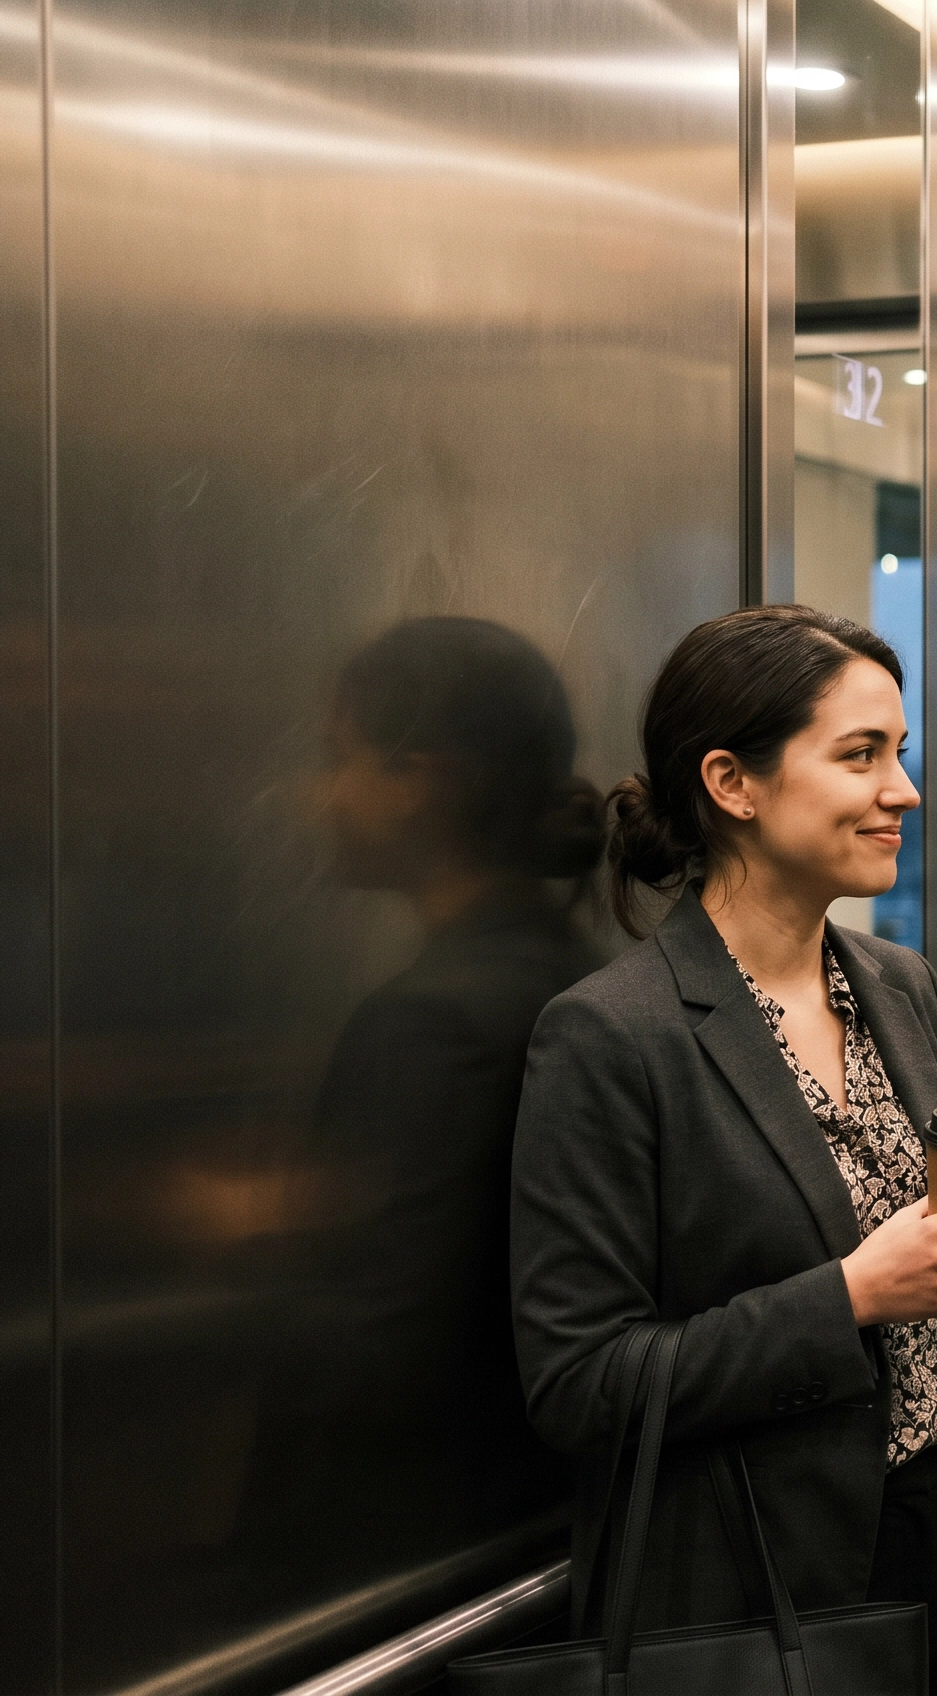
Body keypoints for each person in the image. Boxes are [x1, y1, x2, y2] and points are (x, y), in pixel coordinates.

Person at [510, 606, 937, 1695]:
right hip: (769, 1588)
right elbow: (580, 1382)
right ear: (732, 782)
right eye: (860, 754)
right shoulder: (610, 1033)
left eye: (899, 754)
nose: (902, 790)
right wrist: (852, 1297)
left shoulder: (900, 986)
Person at [246, 617, 605, 1572]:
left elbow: (386, 1354)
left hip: (417, 1553)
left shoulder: (434, 1022)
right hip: (531, 1530)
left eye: (340, 759)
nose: (322, 793)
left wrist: (261, 1243)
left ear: (419, 779)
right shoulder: (574, 973)